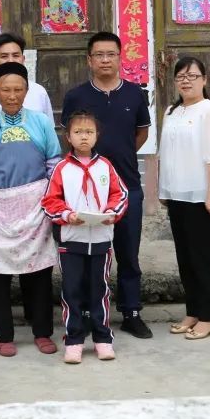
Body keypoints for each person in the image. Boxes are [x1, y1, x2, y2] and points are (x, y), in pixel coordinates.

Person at [61, 31, 153, 339]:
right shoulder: (76, 96)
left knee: (128, 253)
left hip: (127, 186)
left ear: (119, 57)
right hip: (86, 191)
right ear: (89, 60)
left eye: (110, 54)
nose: (105, 60)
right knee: (89, 253)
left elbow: (140, 134)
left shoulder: (134, 94)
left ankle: (131, 312)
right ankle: (88, 313)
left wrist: (114, 161)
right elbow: (70, 136)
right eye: (98, 55)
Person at [0, 62, 61, 357]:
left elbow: (53, 163)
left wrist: (52, 200)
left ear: (26, 91)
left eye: (18, 89)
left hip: (36, 206)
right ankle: (4, 335)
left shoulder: (41, 123)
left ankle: (42, 332)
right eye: (5, 90)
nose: (12, 95)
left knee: (39, 274)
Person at [41, 110, 128, 364]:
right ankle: (74, 340)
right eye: (78, 132)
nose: (84, 137)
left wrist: (112, 212)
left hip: (101, 240)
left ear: (97, 136)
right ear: (68, 137)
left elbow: (120, 194)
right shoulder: (62, 168)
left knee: (99, 290)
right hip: (71, 241)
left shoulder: (106, 166)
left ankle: (103, 339)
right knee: (72, 291)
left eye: (89, 132)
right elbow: (49, 201)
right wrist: (67, 215)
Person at [157, 56, 210, 341]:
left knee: (201, 257)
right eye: (181, 77)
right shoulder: (171, 111)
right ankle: (193, 311)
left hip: (200, 196)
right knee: (184, 257)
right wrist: (164, 191)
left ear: (204, 80)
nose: (186, 81)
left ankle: (209, 316)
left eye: (192, 76)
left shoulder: (209, 111)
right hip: (176, 195)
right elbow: (165, 153)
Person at [0, 32, 54, 119]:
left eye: (15, 55)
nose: (11, 60)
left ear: (23, 59)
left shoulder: (39, 92)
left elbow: (48, 126)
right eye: (4, 56)